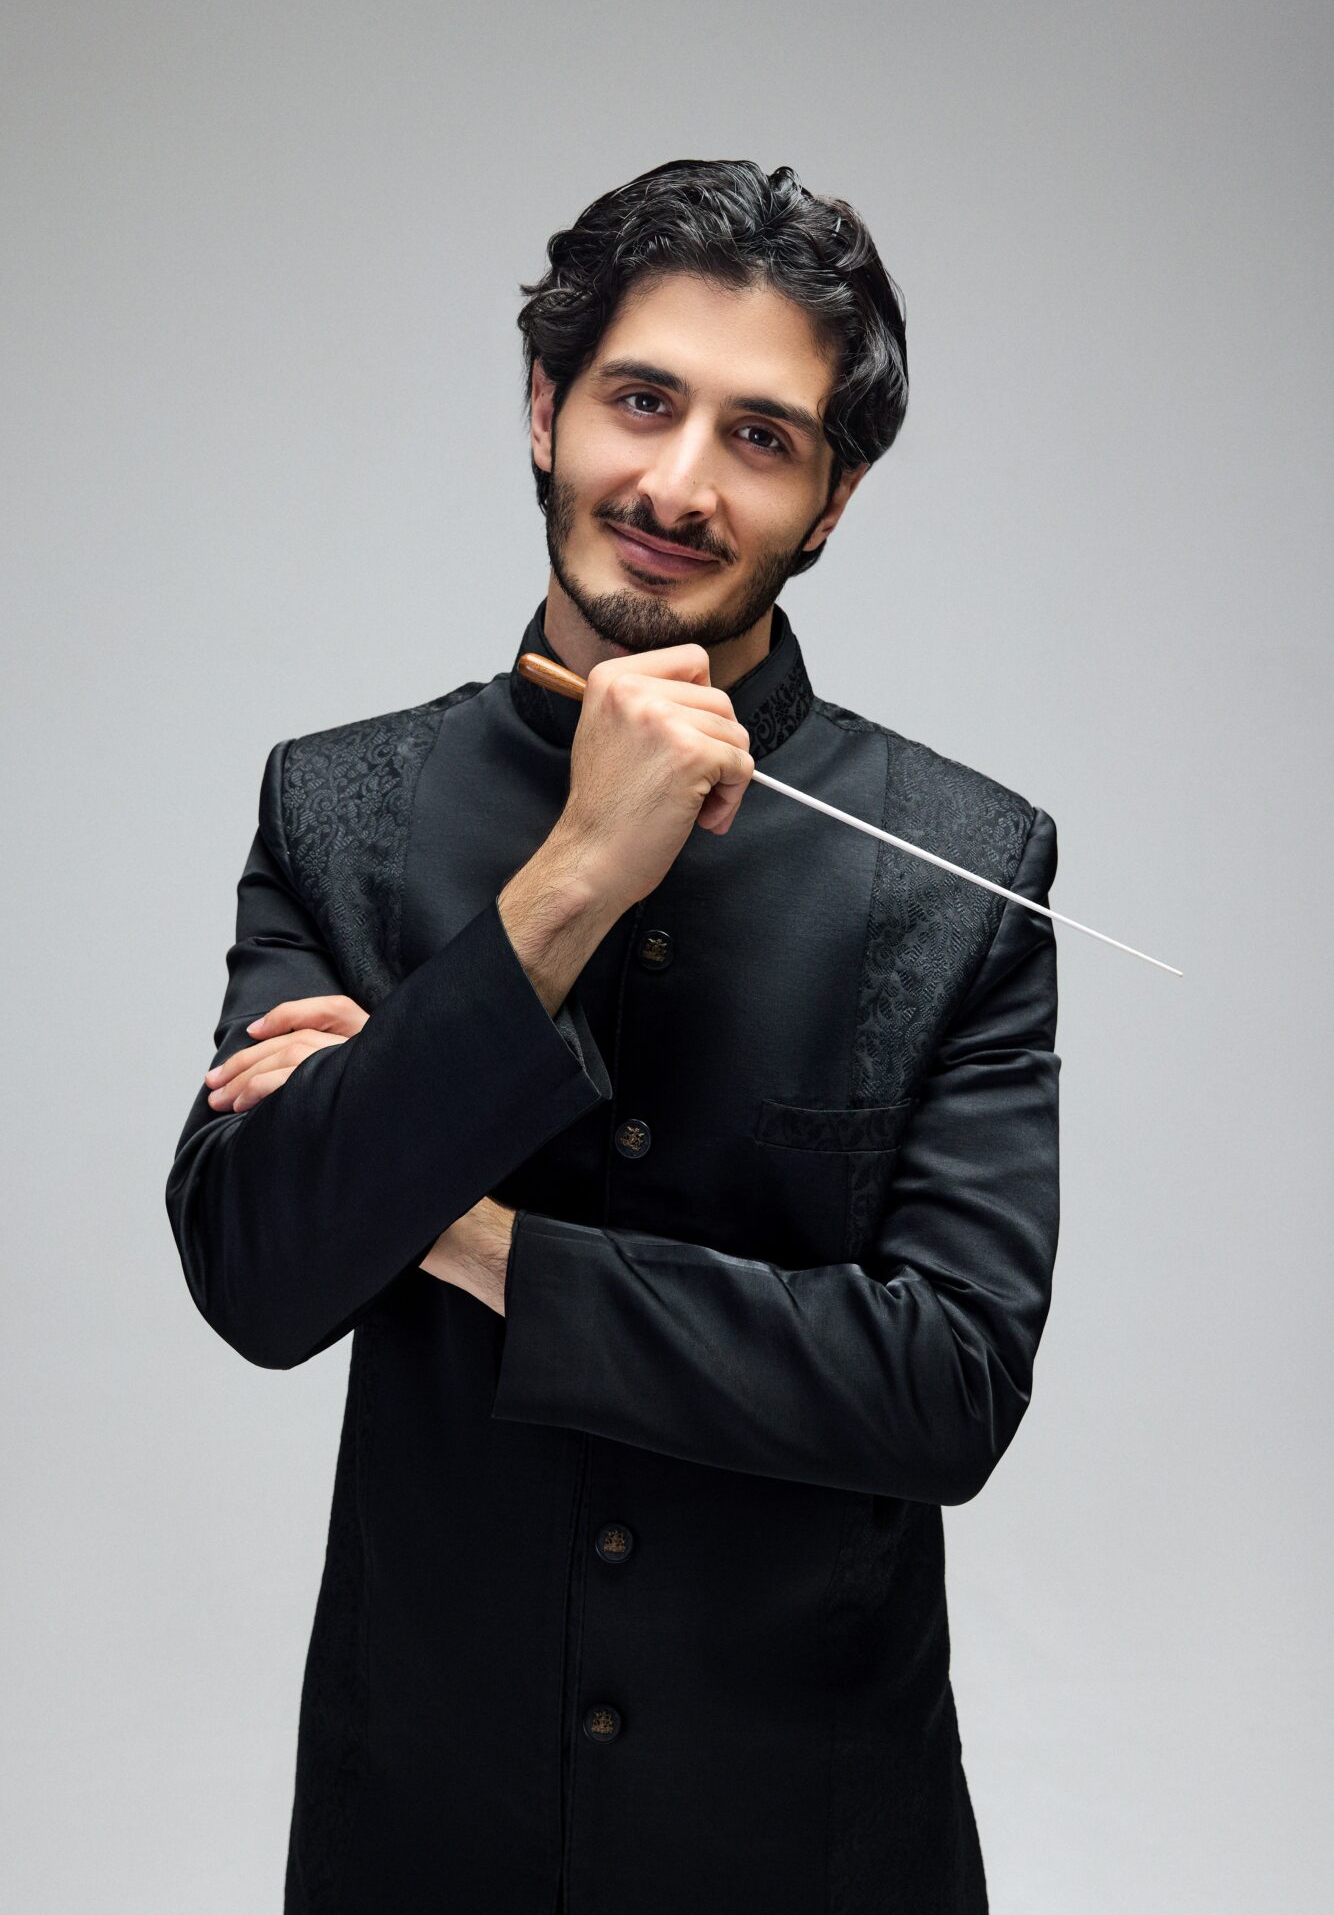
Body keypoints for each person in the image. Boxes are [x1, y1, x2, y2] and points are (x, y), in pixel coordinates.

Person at [166, 157, 1061, 1915]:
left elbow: (946, 1387)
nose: (674, 483)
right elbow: (260, 1275)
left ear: (832, 500)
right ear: (542, 405)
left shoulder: (968, 863)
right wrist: (572, 875)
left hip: (813, 1854)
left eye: (761, 435)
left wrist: (460, 1225)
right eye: (639, 401)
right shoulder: (342, 806)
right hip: (419, 1840)